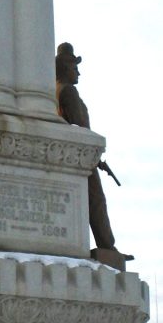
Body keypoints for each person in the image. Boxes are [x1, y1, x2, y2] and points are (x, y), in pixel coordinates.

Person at [55, 41, 125, 254]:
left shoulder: (55, 90)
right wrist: (94, 155)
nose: (78, 72)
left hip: (75, 153)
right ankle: (107, 246)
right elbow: (79, 124)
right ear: (65, 67)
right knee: (96, 200)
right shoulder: (69, 92)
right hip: (83, 155)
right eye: (75, 67)